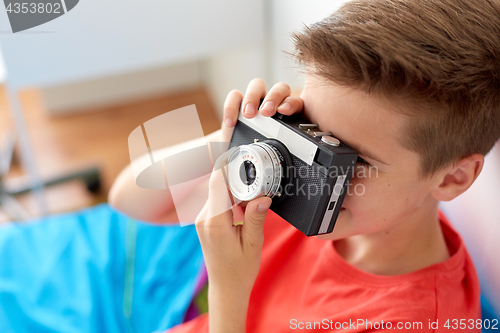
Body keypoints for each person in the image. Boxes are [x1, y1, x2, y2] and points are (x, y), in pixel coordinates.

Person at [109, 0, 500, 331]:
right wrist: (233, 139)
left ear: (452, 178)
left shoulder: (409, 319)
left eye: (352, 158)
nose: (316, 170)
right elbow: (130, 199)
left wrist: (229, 293)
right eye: (312, 131)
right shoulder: (295, 176)